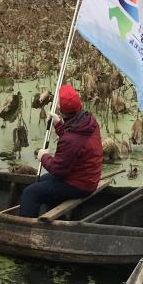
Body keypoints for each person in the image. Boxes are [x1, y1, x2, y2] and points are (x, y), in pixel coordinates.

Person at [19, 84, 103, 218]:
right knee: (41, 181)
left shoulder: (71, 139)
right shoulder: (89, 120)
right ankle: (59, 219)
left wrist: (43, 157)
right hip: (87, 177)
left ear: (63, 110)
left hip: (80, 185)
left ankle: (24, 229)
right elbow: (75, 140)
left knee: (30, 193)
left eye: (58, 103)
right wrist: (59, 125)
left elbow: (58, 170)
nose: (56, 104)